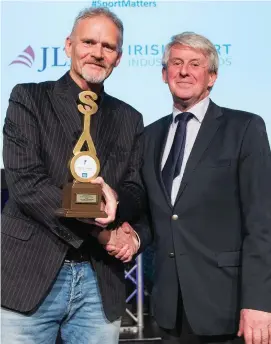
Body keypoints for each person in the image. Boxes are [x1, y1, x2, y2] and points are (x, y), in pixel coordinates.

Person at [106, 32, 271, 344]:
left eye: (195, 64)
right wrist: (133, 236)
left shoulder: (245, 128)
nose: (184, 71)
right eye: (176, 63)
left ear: (211, 77)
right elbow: (157, 215)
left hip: (230, 307)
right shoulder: (150, 136)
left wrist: (259, 303)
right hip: (170, 310)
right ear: (164, 73)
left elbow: (262, 223)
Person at [1, 7, 143, 344]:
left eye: (108, 47)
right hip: (29, 275)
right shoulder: (29, 98)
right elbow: (27, 185)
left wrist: (116, 203)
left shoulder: (130, 118)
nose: (97, 53)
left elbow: (135, 188)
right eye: (89, 42)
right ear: (68, 45)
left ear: (118, 58)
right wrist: (100, 229)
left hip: (99, 283)